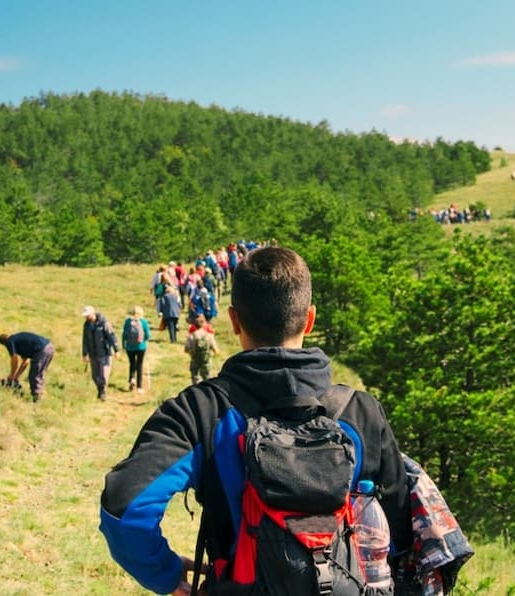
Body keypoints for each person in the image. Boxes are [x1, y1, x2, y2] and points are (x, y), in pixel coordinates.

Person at [99, 246, 412, 594]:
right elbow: (399, 529)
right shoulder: (361, 412)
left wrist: (167, 575)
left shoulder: (199, 411)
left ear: (234, 321)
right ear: (309, 319)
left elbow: (125, 510)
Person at [0, 332, 55, 402]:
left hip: (41, 350)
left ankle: (37, 399)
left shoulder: (10, 341)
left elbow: (14, 358)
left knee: (34, 375)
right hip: (50, 347)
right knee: (39, 374)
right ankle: (40, 394)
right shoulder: (19, 341)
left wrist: (12, 374)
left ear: (4, 344)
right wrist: (16, 376)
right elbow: (25, 361)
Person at [81, 305, 120, 401]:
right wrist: (84, 353)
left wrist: (116, 350)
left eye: (88, 315)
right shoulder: (86, 325)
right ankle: (100, 390)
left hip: (104, 353)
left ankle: (102, 392)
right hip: (92, 354)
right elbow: (85, 340)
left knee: (103, 375)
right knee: (95, 375)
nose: (86, 317)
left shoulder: (104, 324)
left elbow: (112, 336)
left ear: (93, 313)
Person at [122, 306, 151, 393]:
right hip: (141, 347)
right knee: (139, 365)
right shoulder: (143, 322)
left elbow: (124, 334)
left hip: (129, 347)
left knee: (132, 363)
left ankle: (132, 378)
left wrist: (123, 344)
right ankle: (139, 387)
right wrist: (144, 340)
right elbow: (148, 335)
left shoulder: (127, 322)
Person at [184, 316, 218, 384]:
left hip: (195, 359)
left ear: (194, 325)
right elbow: (215, 349)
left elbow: (186, 349)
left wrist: (191, 352)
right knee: (207, 376)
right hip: (206, 359)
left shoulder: (191, 336)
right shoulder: (209, 335)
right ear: (203, 324)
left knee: (195, 376)